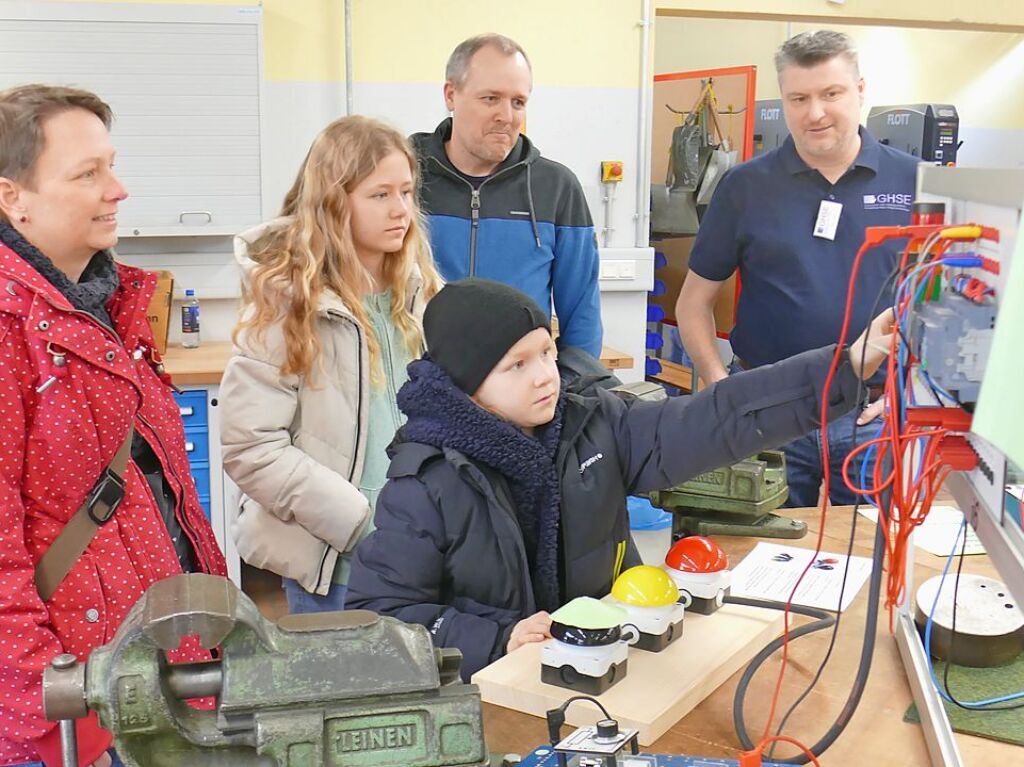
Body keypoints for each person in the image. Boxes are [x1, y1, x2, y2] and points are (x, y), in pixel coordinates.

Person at [346, 278, 893, 679]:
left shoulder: (598, 424)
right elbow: (380, 621)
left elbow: (718, 417)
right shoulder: (424, 482)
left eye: (546, 353)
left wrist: (844, 367)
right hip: (498, 697)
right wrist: (499, 637)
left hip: (608, 676)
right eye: (517, 365)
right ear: (467, 384)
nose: (545, 377)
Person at [0, 84, 226, 767]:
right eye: (87, 174)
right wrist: (64, 719)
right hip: (87, 713)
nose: (118, 189)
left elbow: (166, 504)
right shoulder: (10, 331)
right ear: (14, 199)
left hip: (164, 678)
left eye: (112, 164)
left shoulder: (114, 306)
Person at [674, 29, 920, 507]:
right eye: (799, 98)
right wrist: (721, 389)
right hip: (770, 410)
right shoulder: (745, 187)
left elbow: (943, 303)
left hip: (875, 411)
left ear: (861, 90)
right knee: (765, 563)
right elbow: (693, 303)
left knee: (875, 562)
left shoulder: (913, 181)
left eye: (831, 94)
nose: (815, 113)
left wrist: (910, 394)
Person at [220, 116, 442, 613]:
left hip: (424, 550)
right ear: (334, 202)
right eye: (379, 194)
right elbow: (252, 448)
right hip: (337, 563)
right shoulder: (285, 303)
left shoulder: (422, 291)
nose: (400, 210)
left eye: (406, 192)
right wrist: (362, 524)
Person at [411, 33, 603, 357]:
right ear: (451, 94)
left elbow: (582, 317)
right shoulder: (406, 177)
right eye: (490, 99)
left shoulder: (556, 188)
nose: (507, 116)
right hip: (417, 392)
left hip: (518, 398)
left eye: (518, 102)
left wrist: (571, 394)